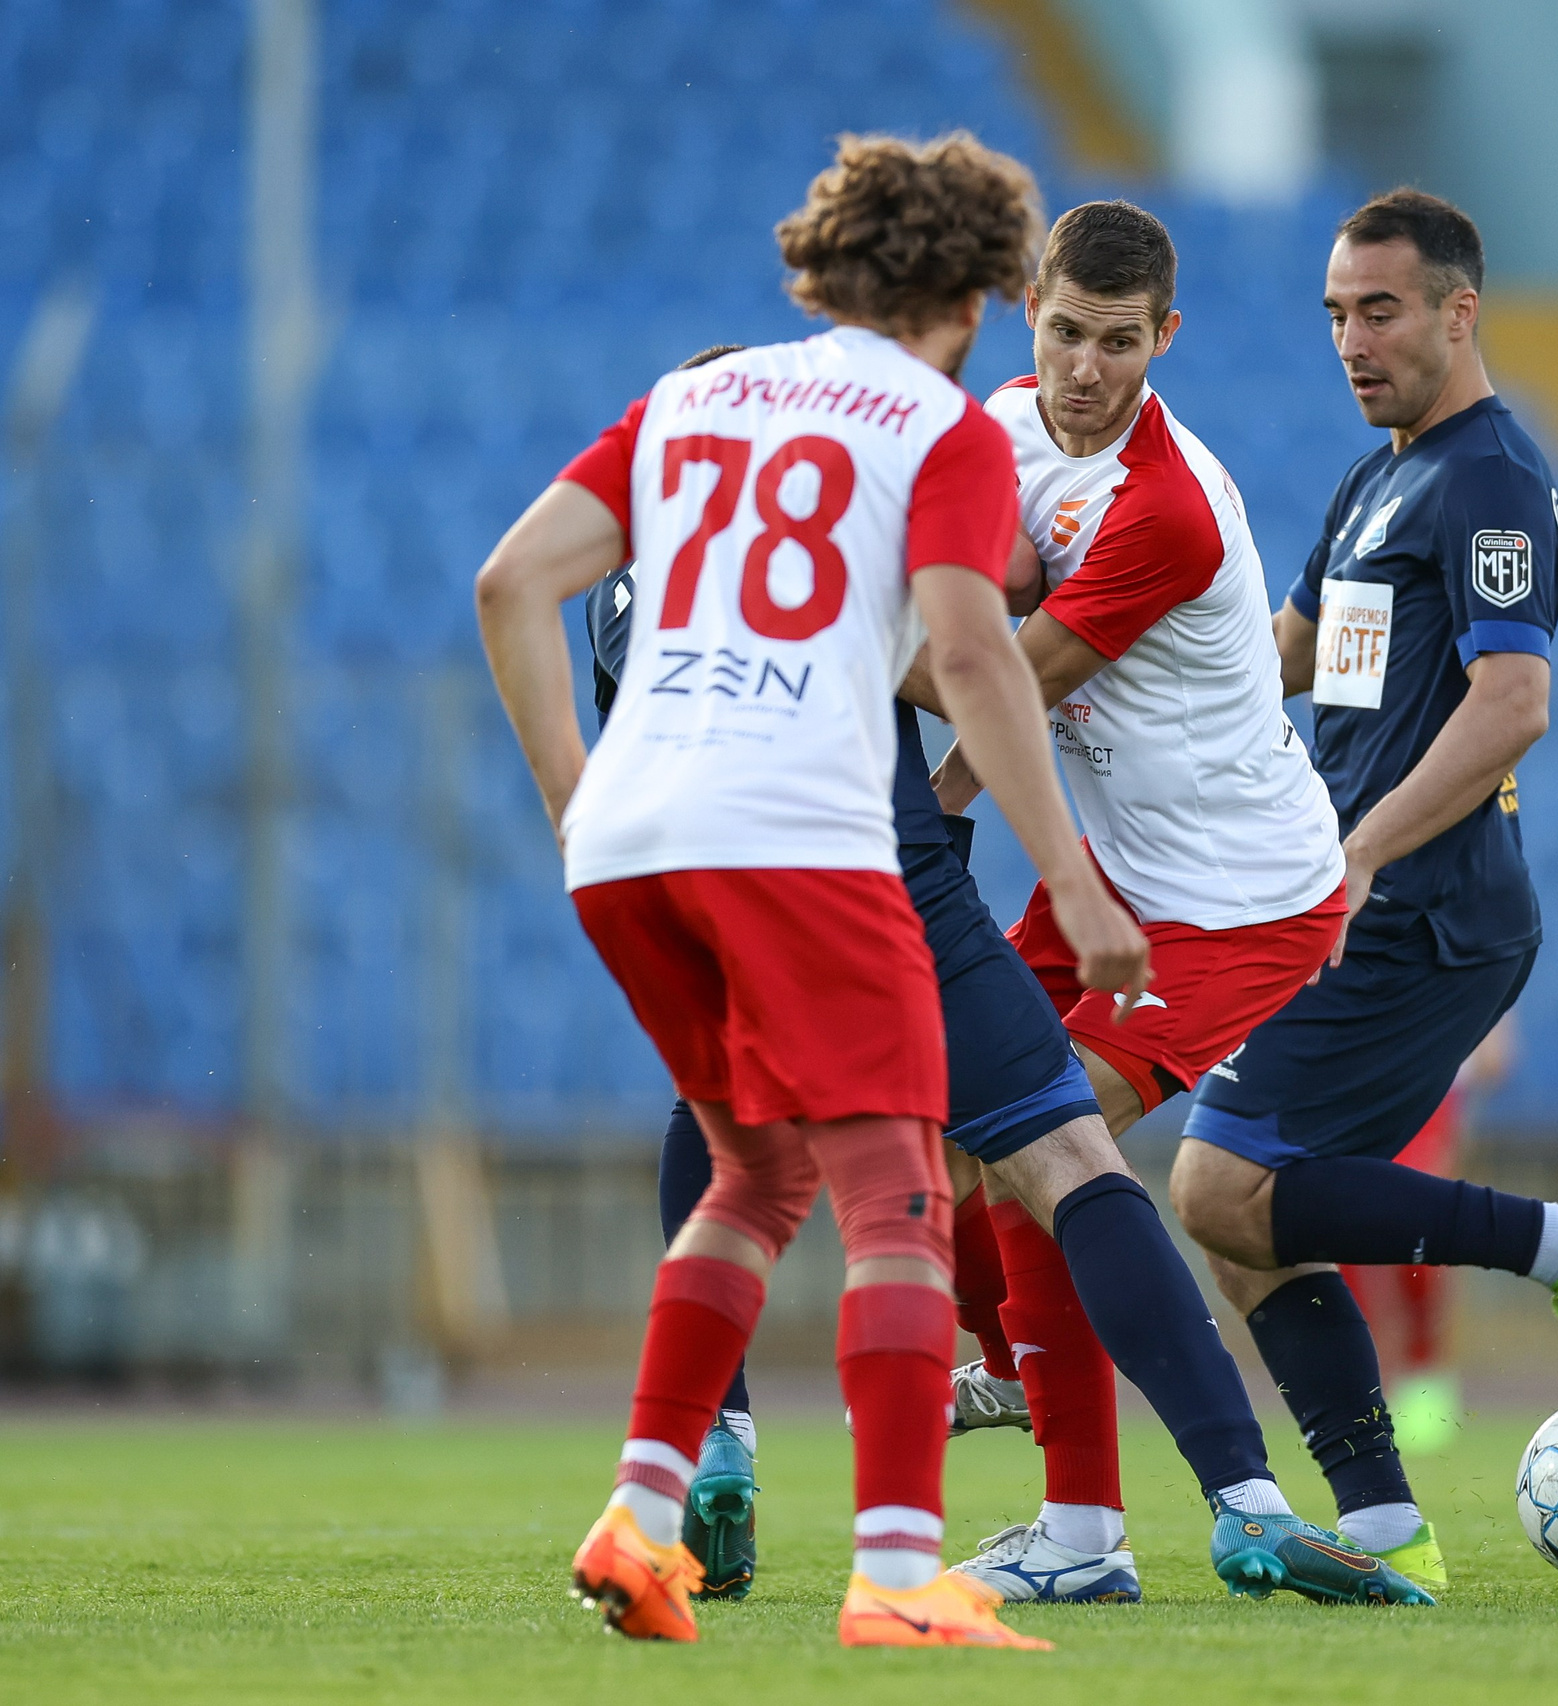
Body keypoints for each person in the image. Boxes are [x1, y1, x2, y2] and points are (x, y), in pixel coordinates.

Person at [476, 130, 1150, 1649]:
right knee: (897, 1188)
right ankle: (902, 1572)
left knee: (755, 1175)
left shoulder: (690, 399)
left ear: (824, 264)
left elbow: (511, 584)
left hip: (636, 846)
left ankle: (640, 1522)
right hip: (800, 838)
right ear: (981, 293)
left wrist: (580, 801)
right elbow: (971, 656)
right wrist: (1074, 881)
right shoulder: (939, 424)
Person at [907, 200, 1423, 1607]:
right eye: (1066, 333)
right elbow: (983, 590)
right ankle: (1027, 1379)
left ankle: (1086, 1530)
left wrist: (791, 632)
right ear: (1033, 314)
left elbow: (993, 674)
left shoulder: (1169, 511)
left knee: (1039, 1145)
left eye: (1118, 343)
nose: (1085, 367)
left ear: (1165, 338)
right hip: (1119, 878)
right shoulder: (1006, 425)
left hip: (1239, 902)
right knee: (942, 1160)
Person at [1165, 189, 1558, 1595]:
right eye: (1334, 312)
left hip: (1428, 909)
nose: (1350, 337)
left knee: (1220, 1178)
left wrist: (1363, 844)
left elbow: (1513, 703)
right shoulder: (1377, 477)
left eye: (1378, 309)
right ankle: (1388, 1532)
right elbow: (1296, 652)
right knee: (1244, 1212)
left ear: (1460, 309)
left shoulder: (1492, 478)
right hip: (1356, 904)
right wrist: (1113, 708)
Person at [1339, 1015, 1515, 1455]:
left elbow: (1497, 1060)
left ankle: (1424, 1378)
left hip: (1430, 1088)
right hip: (1363, 1094)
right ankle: (1352, 1388)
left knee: (1417, 1242)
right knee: (1344, 1243)